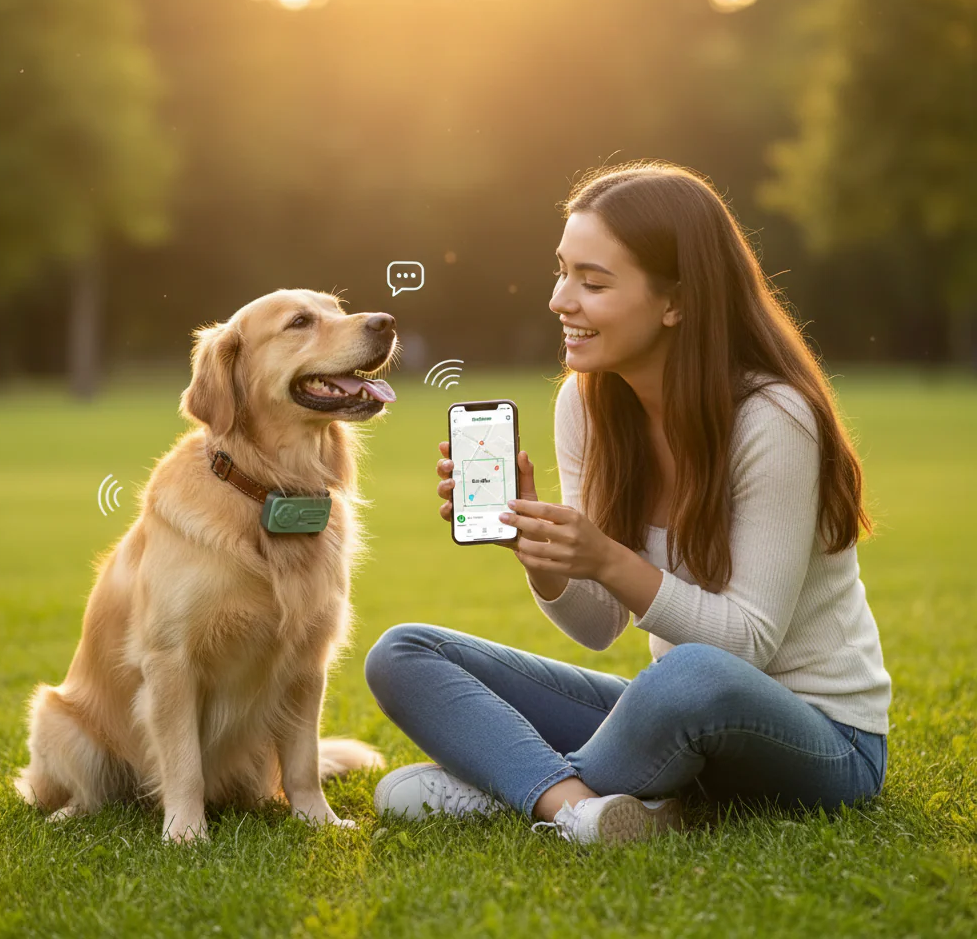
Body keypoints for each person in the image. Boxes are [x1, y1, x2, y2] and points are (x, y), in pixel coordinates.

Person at [364, 161, 891, 846]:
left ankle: (520, 789)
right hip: (677, 717)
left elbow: (746, 648)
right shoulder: (586, 405)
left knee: (688, 675)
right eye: (561, 272)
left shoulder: (773, 419)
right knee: (402, 652)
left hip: (823, 738)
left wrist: (608, 558)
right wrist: (544, 558)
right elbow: (599, 623)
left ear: (676, 302)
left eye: (593, 282)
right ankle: (581, 807)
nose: (559, 300)